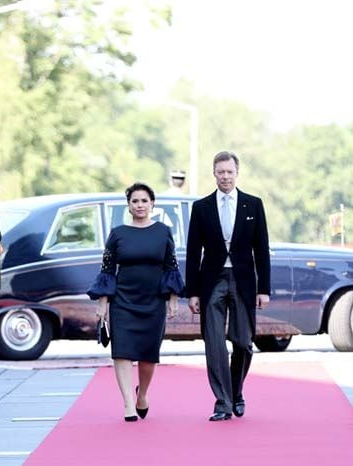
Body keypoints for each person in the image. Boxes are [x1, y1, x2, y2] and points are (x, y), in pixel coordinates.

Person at [185, 151, 270, 422]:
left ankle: (237, 391)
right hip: (212, 280)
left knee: (243, 342)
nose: (225, 176)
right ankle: (222, 401)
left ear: (237, 173)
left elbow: (262, 250)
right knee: (214, 343)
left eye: (229, 172)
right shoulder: (201, 208)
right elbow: (192, 251)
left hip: (244, 282)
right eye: (220, 172)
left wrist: (264, 288)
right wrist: (193, 292)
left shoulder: (253, 205)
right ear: (214, 173)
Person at [87, 182, 183, 422]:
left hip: (153, 301)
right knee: (122, 352)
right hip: (123, 300)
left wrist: (172, 298)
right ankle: (128, 403)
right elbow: (107, 269)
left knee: (149, 355)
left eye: (144, 200)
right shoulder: (118, 233)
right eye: (134, 201)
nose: (139, 205)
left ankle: (143, 395)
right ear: (128, 206)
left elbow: (171, 265)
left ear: (152, 204)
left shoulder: (163, 231)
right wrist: (103, 303)